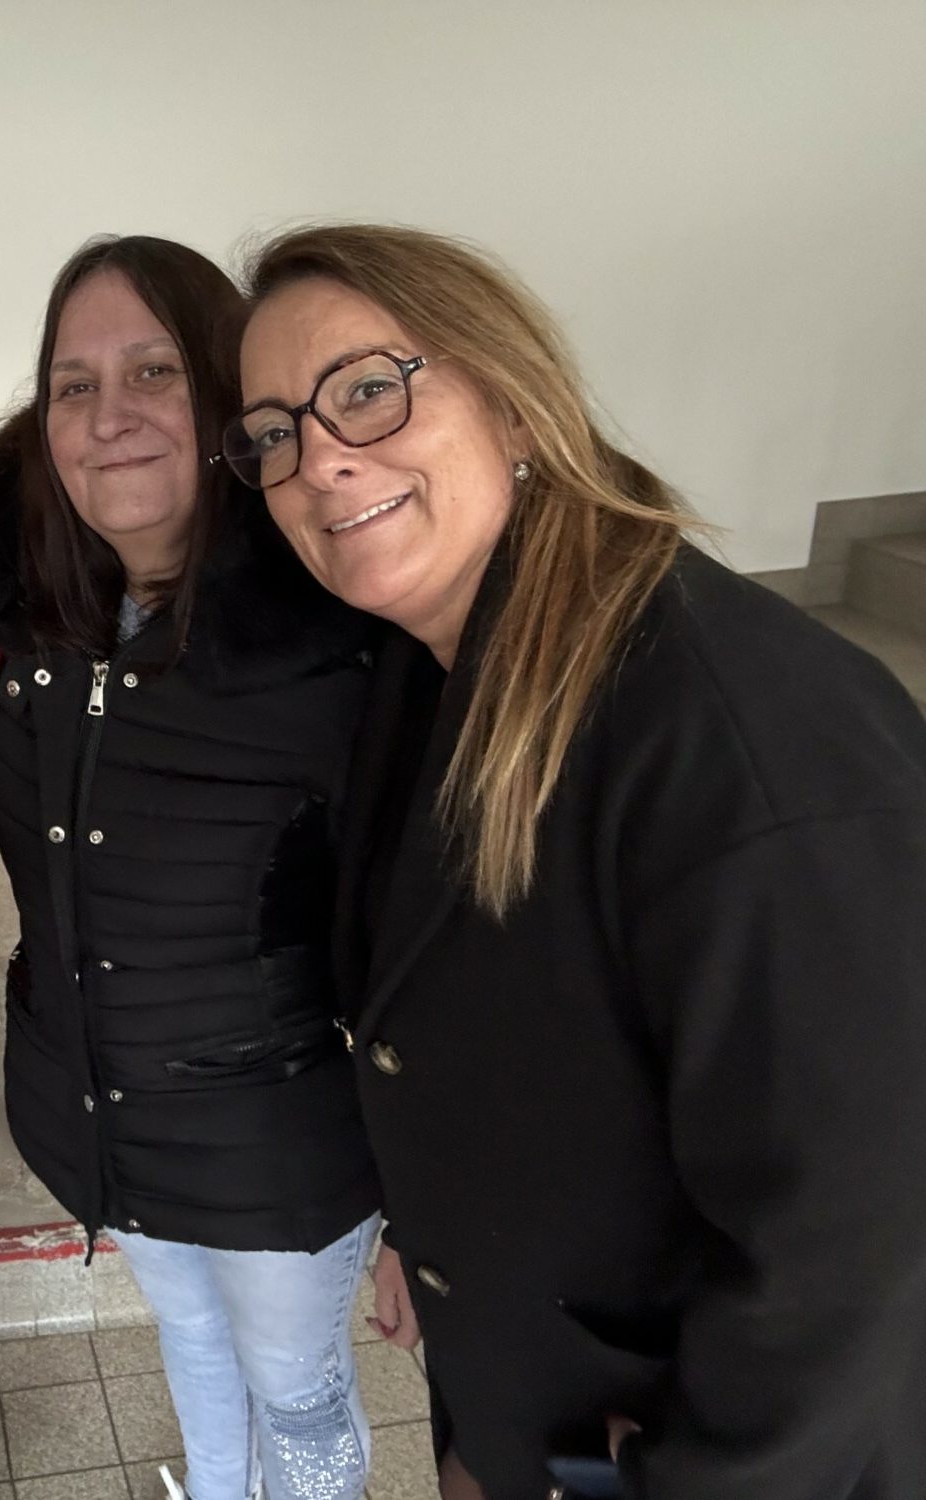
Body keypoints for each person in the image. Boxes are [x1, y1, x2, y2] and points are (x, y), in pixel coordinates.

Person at [230, 222, 926, 1500]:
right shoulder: (431, 675)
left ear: (512, 401)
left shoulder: (749, 744)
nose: (318, 457)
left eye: (367, 389)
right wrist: (430, 1239)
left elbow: (861, 1234)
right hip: (535, 1402)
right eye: (273, 431)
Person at [0, 235, 383, 1500]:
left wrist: (429, 1201)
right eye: (72, 385)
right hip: (98, 1115)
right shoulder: (35, 631)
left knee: (296, 1388)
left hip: (276, 1145)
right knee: (186, 1339)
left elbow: (430, 949)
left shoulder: (338, 642)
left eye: (151, 372)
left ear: (230, 403)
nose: (108, 416)